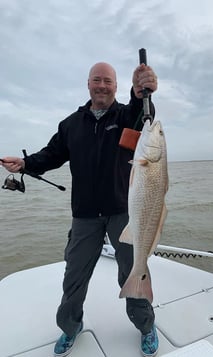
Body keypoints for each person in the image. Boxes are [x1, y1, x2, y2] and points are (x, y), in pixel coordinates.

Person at [1, 61, 159, 357]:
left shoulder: (126, 115)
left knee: (133, 271)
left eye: (108, 81)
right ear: (88, 84)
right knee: (74, 276)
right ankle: (70, 328)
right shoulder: (71, 124)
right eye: (97, 80)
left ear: (115, 85)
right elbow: (51, 154)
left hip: (123, 212)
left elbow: (142, 113)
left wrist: (141, 92)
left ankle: (146, 326)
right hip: (85, 215)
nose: (102, 85)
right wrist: (24, 164)